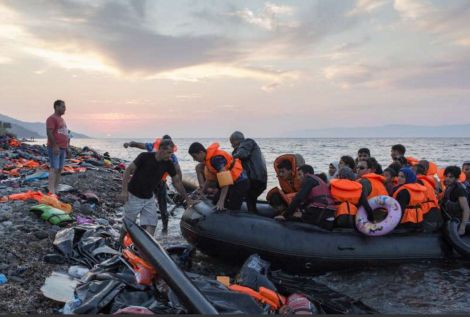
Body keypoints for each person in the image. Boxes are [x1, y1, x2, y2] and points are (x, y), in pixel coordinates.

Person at [119, 139, 191, 236]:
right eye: (169, 152)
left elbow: (177, 182)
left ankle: (145, 247)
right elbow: (128, 171)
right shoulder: (144, 157)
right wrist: (124, 191)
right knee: (127, 224)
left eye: (172, 153)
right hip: (134, 196)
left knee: (152, 224)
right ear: (161, 149)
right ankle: (120, 243)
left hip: (149, 198)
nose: (171, 155)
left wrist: (187, 198)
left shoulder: (168, 163)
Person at [188, 142, 249, 211]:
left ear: (201, 152)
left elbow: (225, 181)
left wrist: (221, 201)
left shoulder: (216, 159)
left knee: (233, 207)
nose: (194, 159)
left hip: (240, 182)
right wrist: (202, 193)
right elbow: (209, 180)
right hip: (231, 183)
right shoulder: (207, 160)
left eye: (194, 156)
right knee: (215, 201)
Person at [275, 165, 336, 230]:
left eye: (300, 174)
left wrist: (284, 215)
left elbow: (298, 198)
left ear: (307, 173)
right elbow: (306, 202)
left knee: (290, 218)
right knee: (298, 213)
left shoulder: (309, 179)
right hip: (328, 213)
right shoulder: (317, 181)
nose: (298, 178)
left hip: (322, 212)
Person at [230, 131, 268, 212]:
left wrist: (229, 159)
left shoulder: (247, 142)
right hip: (259, 180)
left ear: (237, 140)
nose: (232, 145)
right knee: (250, 200)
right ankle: (252, 212)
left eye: (232, 143)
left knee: (244, 196)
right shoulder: (249, 146)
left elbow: (242, 153)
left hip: (254, 179)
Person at [46, 100, 69, 195]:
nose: (65, 109)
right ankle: (50, 189)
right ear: (56, 107)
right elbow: (49, 133)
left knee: (59, 169)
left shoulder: (62, 119)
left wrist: (67, 148)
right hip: (55, 147)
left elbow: (64, 133)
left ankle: (56, 187)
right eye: (63, 106)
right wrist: (55, 146)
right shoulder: (51, 118)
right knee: (54, 168)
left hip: (63, 148)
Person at [440, 166, 470, 235]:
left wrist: (462, 228)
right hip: (448, 217)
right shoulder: (449, 186)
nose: (447, 179)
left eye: (450, 177)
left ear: (456, 178)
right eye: (446, 176)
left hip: (457, 221)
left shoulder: (459, 189)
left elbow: (466, 209)